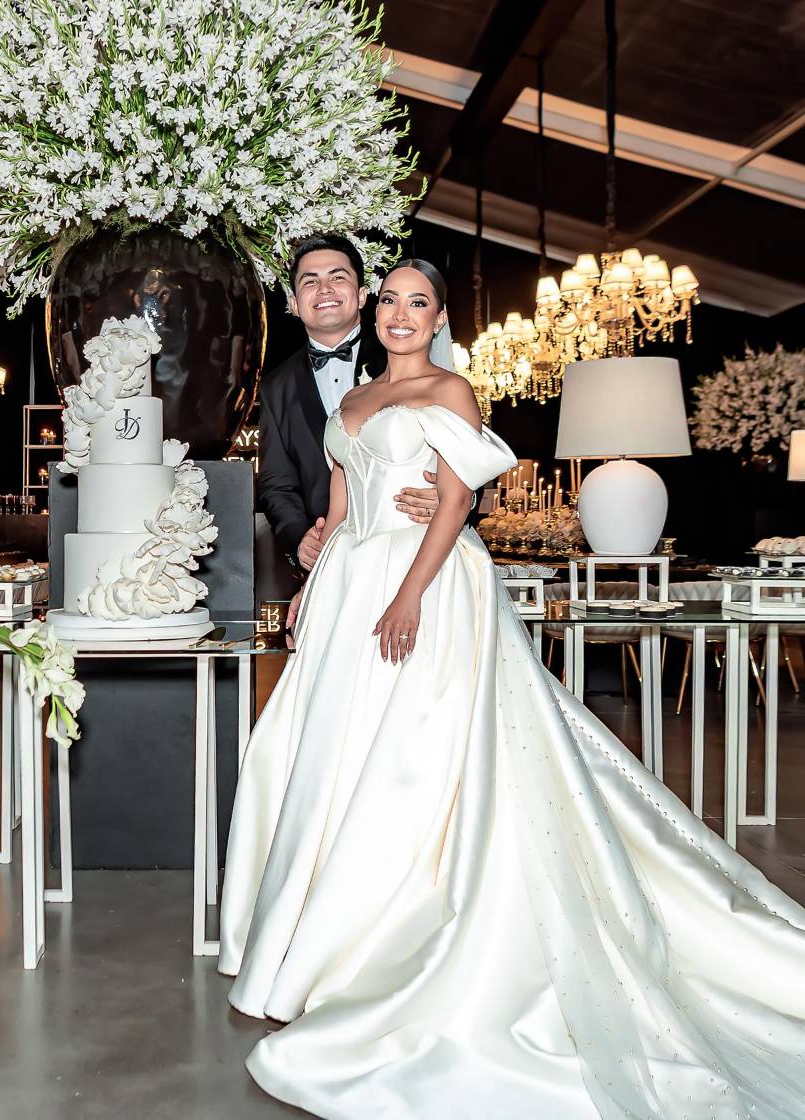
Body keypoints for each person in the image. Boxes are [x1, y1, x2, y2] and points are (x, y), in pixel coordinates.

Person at [219, 259, 805, 1119]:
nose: (400, 314)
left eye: (419, 303)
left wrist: (410, 593)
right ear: (375, 315)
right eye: (390, 301)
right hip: (349, 586)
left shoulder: (453, 393)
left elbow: (455, 503)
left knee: (419, 754)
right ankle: (321, 942)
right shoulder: (349, 405)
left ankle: (398, 931)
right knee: (331, 754)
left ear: (439, 317)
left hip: (425, 586)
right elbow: (340, 509)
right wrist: (312, 585)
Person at [258, 234, 441, 572]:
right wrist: (300, 540)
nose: (324, 288)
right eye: (310, 281)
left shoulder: (407, 353)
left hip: (411, 543)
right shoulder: (274, 386)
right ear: (294, 304)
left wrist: (453, 498)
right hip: (333, 559)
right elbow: (276, 485)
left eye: (337, 277)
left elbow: (467, 446)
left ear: (361, 296)